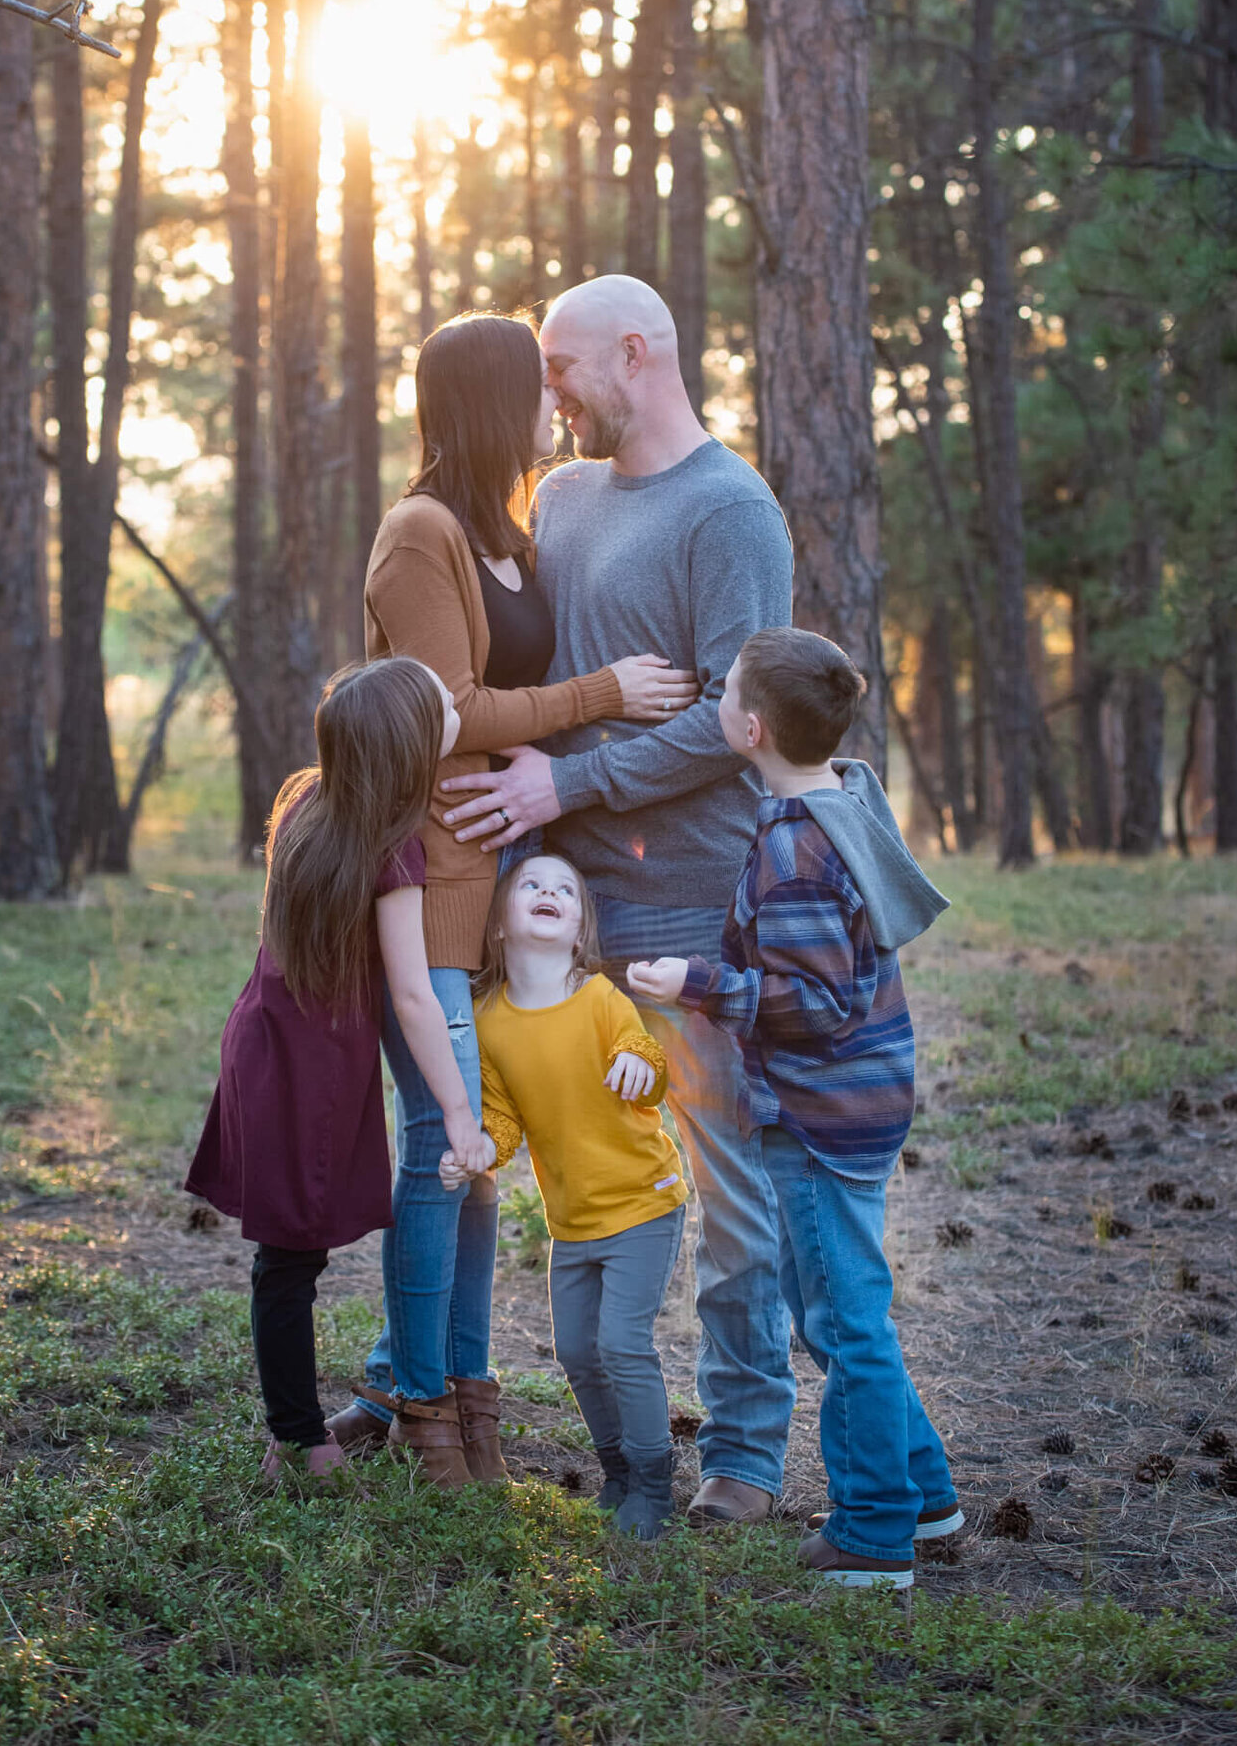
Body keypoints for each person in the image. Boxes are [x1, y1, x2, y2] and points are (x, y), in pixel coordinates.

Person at [439, 274, 800, 1526]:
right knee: (527, 1154)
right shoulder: (566, 494)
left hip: (696, 907)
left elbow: (733, 716)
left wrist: (566, 780)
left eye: (559, 366)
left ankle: (746, 1454)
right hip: (562, 915)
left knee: (732, 1193)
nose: (545, 394)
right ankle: (428, 1395)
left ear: (635, 354)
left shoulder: (731, 513)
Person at [334, 312, 697, 1479]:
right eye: (536, 386)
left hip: (490, 886)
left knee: (477, 1164)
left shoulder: (509, 531)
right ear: (494, 400)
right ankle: (430, 1414)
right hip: (424, 881)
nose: (556, 404)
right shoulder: (418, 535)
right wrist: (601, 694)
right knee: (444, 1155)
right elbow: (445, 709)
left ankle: (440, 1395)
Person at [629, 627, 956, 1587]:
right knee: (843, 1308)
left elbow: (812, 1005)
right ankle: (925, 1495)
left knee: (843, 1320)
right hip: (860, 1101)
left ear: (751, 726)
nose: (716, 699)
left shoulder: (793, 847)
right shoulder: (841, 795)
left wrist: (699, 980)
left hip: (819, 1116)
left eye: (726, 691)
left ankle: (873, 1532)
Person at [184, 658, 495, 1485]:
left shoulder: (302, 801)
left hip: (264, 1043)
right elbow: (413, 995)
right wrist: (459, 1114)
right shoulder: (395, 853)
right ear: (410, 748)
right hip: (311, 1075)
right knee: (289, 1260)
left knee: (286, 1256)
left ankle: (299, 1431)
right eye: (440, 709)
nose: (452, 711)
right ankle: (297, 1440)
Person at [441, 852, 689, 1537]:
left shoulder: (600, 997)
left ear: (580, 929)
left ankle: (655, 1486)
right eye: (531, 884)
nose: (548, 891)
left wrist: (640, 1061)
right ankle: (616, 1473)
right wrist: (480, 1152)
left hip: (644, 1198)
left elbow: (646, 1050)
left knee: (621, 1342)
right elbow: (503, 1118)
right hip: (572, 1221)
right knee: (576, 1350)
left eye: (564, 890)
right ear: (497, 924)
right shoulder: (488, 1020)